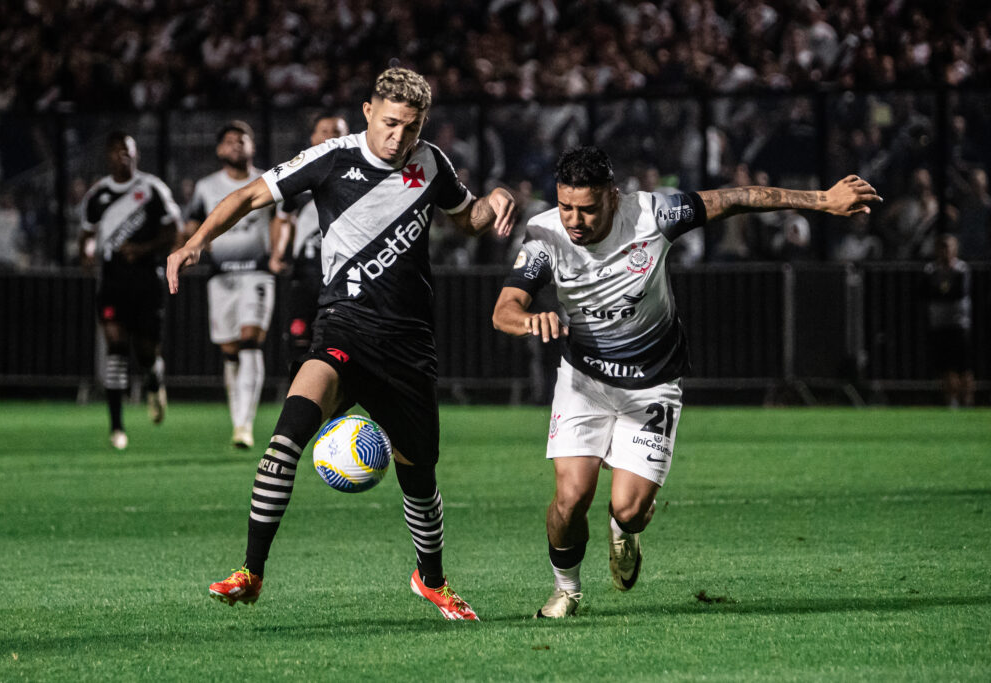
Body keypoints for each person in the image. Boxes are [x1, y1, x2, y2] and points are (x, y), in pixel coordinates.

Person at [167, 67, 517, 620]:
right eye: (391, 123)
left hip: (407, 345)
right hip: (343, 329)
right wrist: (195, 244)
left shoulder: (430, 163)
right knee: (285, 438)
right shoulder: (332, 157)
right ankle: (251, 572)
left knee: (419, 475)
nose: (399, 137)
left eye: (412, 126)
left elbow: (468, 219)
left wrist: (493, 198)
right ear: (368, 112)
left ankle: (431, 580)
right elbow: (249, 195)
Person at [492, 146, 881, 618]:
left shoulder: (653, 214)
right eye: (567, 205)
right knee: (571, 497)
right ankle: (566, 590)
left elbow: (737, 198)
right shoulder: (545, 234)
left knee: (629, 510)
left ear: (613, 198)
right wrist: (529, 319)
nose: (574, 219)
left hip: (653, 382)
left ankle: (625, 532)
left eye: (588, 208)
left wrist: (822, 200)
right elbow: (504, 308)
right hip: (585, 381)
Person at [79, 131, 182, 450]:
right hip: (112, 281)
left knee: (146, 352)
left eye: (128, 150)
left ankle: (155, 382)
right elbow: (86, 234)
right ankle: (117, 427)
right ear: (108, 156)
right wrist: (86, 252)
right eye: (116, 150)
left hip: (146, 279)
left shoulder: (151, 189)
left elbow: (174, 229)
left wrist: (142, 248)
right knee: (116, 347)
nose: (122, 155)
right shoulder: (96, 195)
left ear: (136, 154)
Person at [185, 120, 276, 449]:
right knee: (229, 350)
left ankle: (244, 424)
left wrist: (278, 253)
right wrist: (189, 248)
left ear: (253, 146)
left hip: (258, 273)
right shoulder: (207, 187)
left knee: (250, 339)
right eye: (229, 140)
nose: (236, 145)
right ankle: (237, 417)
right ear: (219, 149)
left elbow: (281, 217)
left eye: (243, 139)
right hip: (221, 276)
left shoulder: (268, 180)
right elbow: (193, 225)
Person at [268, 113, 350, 366]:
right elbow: (284, 218)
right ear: (313, 137)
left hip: (345, 269)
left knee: (341, 338)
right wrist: (278, 253)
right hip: (307, 267)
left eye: (337, 131)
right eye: (324, 131)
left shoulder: (358, 176)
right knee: (299, 333)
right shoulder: (298, 174)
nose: (330, 136)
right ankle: (300, 398)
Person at [923, 234, 975, 408]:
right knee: (945, 365)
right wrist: (943, 290)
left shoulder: (961, 269)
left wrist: (941, 290)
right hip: (939, 322)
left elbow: (956, 292)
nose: (945, 251)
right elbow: (927, 293)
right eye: (942, 247)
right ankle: (950, 399)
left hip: (958, 322)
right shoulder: (931, 269)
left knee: (964, 366)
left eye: (949, 247)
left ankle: (966, 398)